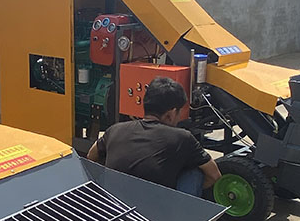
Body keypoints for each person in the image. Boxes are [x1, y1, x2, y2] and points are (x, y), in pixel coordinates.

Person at [87, 77, 221, 196]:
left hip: (114, 207)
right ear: (170, 114)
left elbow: (91, 156)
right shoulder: (183, 137)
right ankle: (185, 213)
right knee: (194, 173)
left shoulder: (115, 130)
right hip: (154, 212)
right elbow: (214, 175)